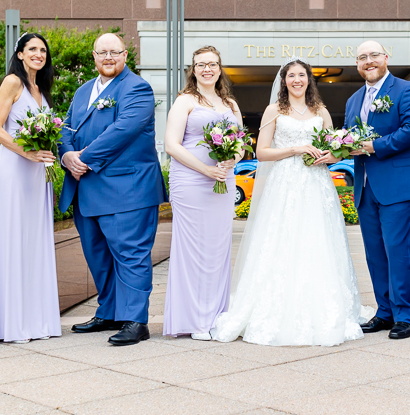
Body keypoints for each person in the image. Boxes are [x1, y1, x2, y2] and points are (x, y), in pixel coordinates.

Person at [211, 57, 373, 346]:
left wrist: (330, 155)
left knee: (318, 240)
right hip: (284, 184)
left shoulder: (320, 111)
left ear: (309, 80)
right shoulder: (274, 110)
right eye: (291, 76)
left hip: (316, 183)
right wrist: (296, 149)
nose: (297, 80)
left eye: (302, 75)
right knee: (281, 239)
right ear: (283, 81)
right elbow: (262, 152)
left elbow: (334, 148)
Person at [58, 33, 167, 346]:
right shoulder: (82, 91)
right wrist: (66, 155)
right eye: (102, 52)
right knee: (98, 255)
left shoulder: (138, 88)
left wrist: (85, 159)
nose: (108, 57)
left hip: (127, 188)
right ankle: (109, 312)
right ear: (94, 56)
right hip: (86, 188)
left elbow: (124, 130)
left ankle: (135, 320)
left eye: (114, 52)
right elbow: (66, 129)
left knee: (130, 254)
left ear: (125, 55)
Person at [342, 41, 410, 340]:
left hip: (399, 185)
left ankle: (404, 315)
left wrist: (373, 146)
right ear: (357, 64)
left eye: (373, 56)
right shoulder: (354, 99)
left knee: (398, 252)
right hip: (365, 187)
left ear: (385, 58)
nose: (368, 62)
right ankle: (384, 312)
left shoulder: (406, 90)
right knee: (375, 254)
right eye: (362, 58)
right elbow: (348, 137)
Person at [0, 32, 62, 344]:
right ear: (20, 54)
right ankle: (12, 323)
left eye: (43, 50)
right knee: (15, 238)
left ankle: (37, 320)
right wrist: (26, 152)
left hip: (38, 174)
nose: (38, 54)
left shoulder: (43, 89)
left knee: (35, 241)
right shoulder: (12, 83)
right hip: (16, 170)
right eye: (32, 49)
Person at [163, 46, 242, 340]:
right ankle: (194, 321)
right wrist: (206, 170)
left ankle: (216, 317)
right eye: (200, 65)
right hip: (191, 182)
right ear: (193, 70)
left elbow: (241, 144)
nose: (207, 69)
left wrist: (231, 160)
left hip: (223, 180)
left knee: (218, 249)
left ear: (220, 68)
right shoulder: (185, 101)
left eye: (212, 64)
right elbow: (172, 145)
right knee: (194, 249)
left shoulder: (230, 104)